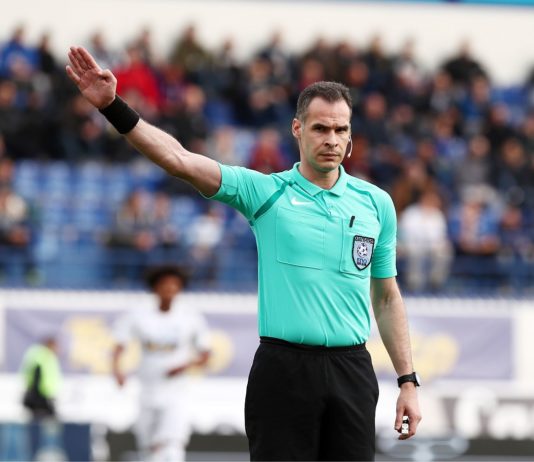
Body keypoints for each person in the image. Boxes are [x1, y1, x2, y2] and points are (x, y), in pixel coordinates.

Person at [67, 46, 421, 461]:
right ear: (297, 129)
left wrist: (408, 382)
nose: (331, 139)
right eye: (320, 128)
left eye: (340, 130)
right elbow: (179, 160)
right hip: (283, 368)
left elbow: (387, 297)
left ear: (351, 136)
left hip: (352, 369)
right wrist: (112, 106)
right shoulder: (266, 192)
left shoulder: (376, 203)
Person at [111, 265, 211, 462]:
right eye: (165, 285)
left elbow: (206, 354)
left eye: (174, 285)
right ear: (155, 287)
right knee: (148, 449)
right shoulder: (139, 315)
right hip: (147, 390)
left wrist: (184, 366)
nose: (169, 290)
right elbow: (119, 345)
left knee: (172, 446)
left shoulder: (190, 317)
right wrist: (117, 371)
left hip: (176, 392)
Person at [20, 336, 62, 419]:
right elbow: (37, 378)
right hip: (41, 399)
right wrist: (39, 399)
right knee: (42, 422)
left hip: (41, 398)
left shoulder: (40, 355)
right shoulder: (44, 357)